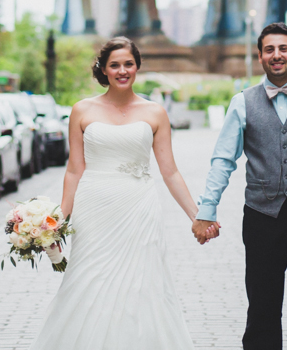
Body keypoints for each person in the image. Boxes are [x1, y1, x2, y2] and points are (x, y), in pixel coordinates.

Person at [30, 37, 204, 350]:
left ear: (137, 67)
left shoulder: (155, 112)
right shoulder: (82, 110)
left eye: (128, 64)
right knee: (89, 280)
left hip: (138, 208)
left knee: (141, 284)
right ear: (104, 70)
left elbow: (170, 171)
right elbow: (74, 169)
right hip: (94, 208)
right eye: (115, 65)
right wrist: (58, 221)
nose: (122, 70)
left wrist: (198, 215)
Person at [193, 22, 287, 350]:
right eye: (270, 50)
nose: (277, 55)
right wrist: (207, 210)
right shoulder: (242, 102)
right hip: (262, 217)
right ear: (260, 56)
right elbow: (223, 161)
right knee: (262, 308)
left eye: (284, 49)